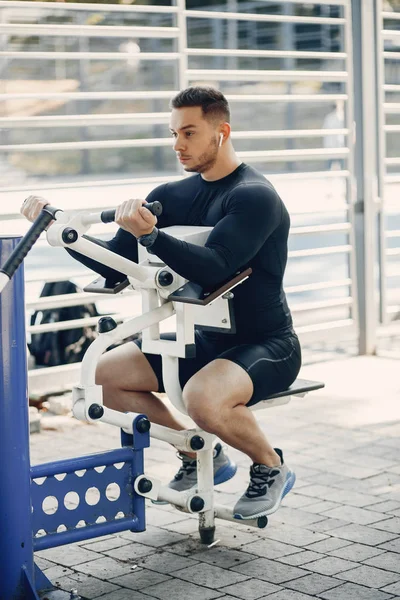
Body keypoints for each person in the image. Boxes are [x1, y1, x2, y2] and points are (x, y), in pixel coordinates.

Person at [21, 87, 301, 520]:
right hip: (203, 340)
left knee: (202, 398)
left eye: (189, 133)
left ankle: (271, 465)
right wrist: (60, 230)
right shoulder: (171, 194)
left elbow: (215, 268)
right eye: (173, 133)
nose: (177, 146)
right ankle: (195, 451)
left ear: (222, 132)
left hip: (266, 344)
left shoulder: (254, 196)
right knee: (104, 375)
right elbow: (115, 268)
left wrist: (151, 235)